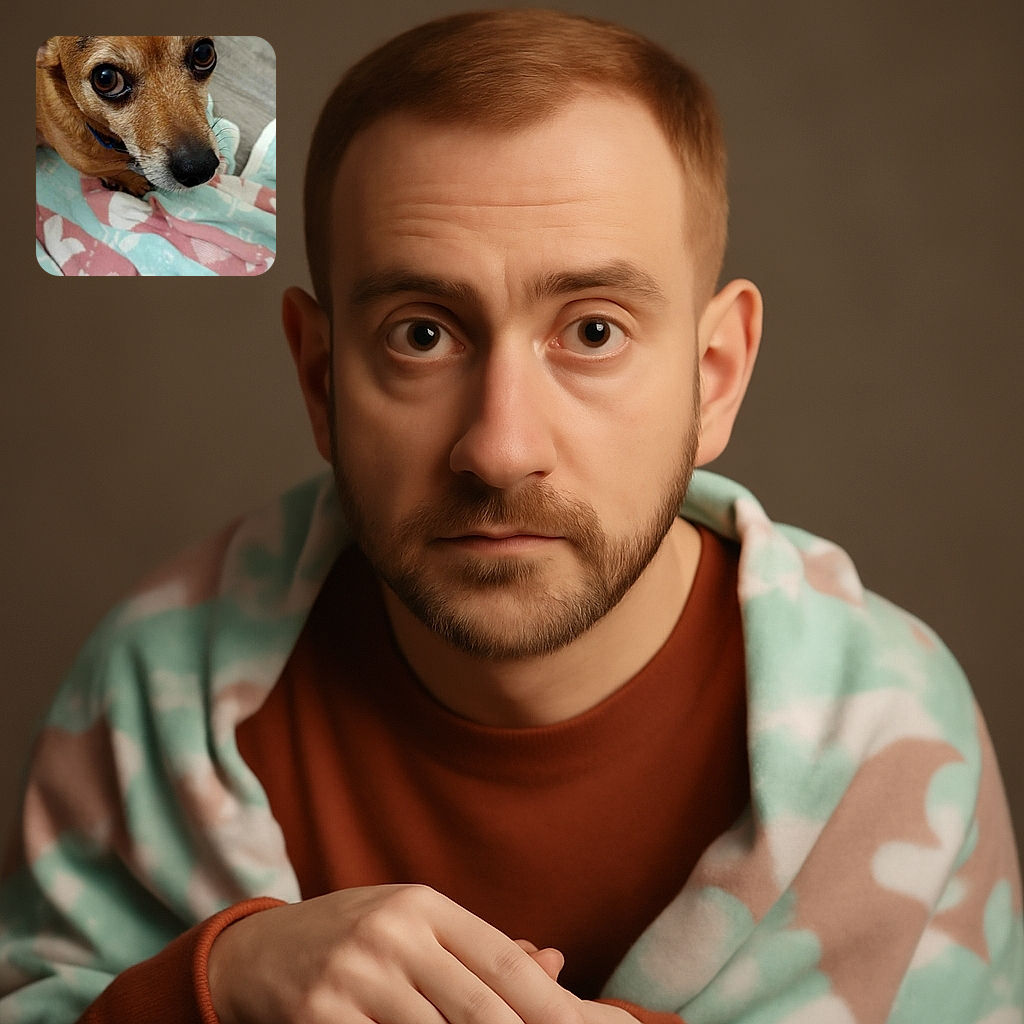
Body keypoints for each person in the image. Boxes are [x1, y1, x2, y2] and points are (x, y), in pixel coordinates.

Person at [1, 10, 1021, 1023]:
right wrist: (215, 985)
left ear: (713, 377)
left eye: (593, 331)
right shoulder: (152, 701)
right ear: (320, 377)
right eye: (421, 335)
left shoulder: (891, 743)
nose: (498, 447)